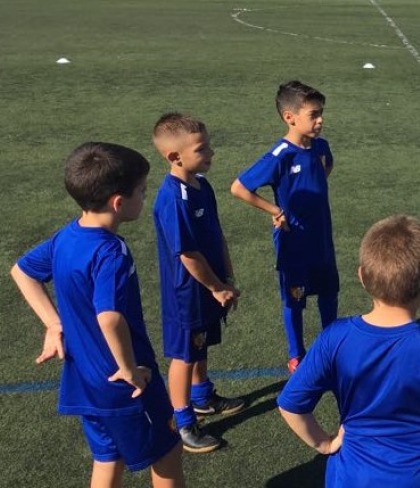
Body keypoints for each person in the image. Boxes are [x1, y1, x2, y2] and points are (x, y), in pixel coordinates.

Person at [9, 142, 185, 487]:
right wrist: (129, 369)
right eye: (142, 191)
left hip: (85, 383)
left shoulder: (67, 237)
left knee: (107, 459)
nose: (144, 197)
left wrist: (53, 323)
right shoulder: (111, 252)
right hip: (125, 386)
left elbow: (22, 271)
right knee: (167, 456)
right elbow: (109, 317)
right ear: (118, 202)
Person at [278, 215, 420, 488]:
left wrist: (324, 442)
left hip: (352, 478)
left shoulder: (336, 337)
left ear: (362, 277)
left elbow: (290, 404)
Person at [152, 113, 246, 454]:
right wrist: (216, 287)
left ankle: (203, 397)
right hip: (187, 294)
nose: (211, 153)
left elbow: (217, 235)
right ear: (175, 157)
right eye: (202, 148)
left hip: (210, 286)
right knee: (184, 355)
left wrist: (227, 279)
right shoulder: (173, 199)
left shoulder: (202, 186)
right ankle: (183, 420)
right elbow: (188, 254)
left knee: (200, 344)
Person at [231, 81, 338, 373]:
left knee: (329, 292)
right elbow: (239, 187)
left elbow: (326, 166)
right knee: (295, 298)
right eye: (313, 115)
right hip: (293, 241)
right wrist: (275, 209)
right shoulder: (281, 154)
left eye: (321, 113)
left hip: (321, 237)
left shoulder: (320, 146)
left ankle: (330, 347)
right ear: (289, 117)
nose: (320, 120)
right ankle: (297, 354)